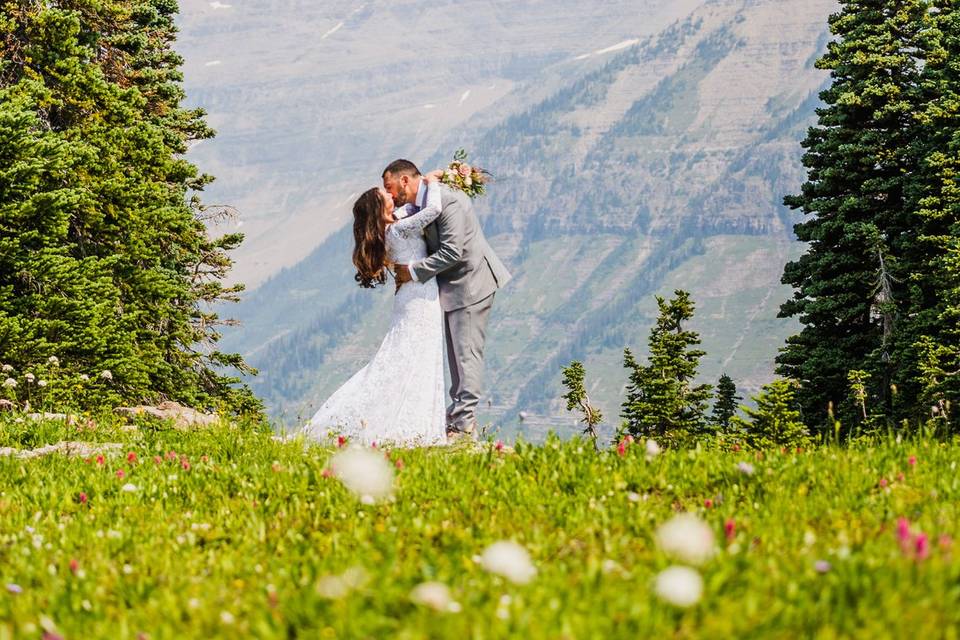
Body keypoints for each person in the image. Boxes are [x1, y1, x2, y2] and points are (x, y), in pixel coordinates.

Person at [383, 159, 511, 439]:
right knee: (456, 356)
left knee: (466, 355)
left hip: (472, 284)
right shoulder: (426, 200)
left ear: (405, 180)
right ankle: (456, 417)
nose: (390, 194)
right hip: (453, 287)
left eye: (390, 187)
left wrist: (412, 271)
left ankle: (464, 424)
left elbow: (453, 251)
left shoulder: (448, 201)